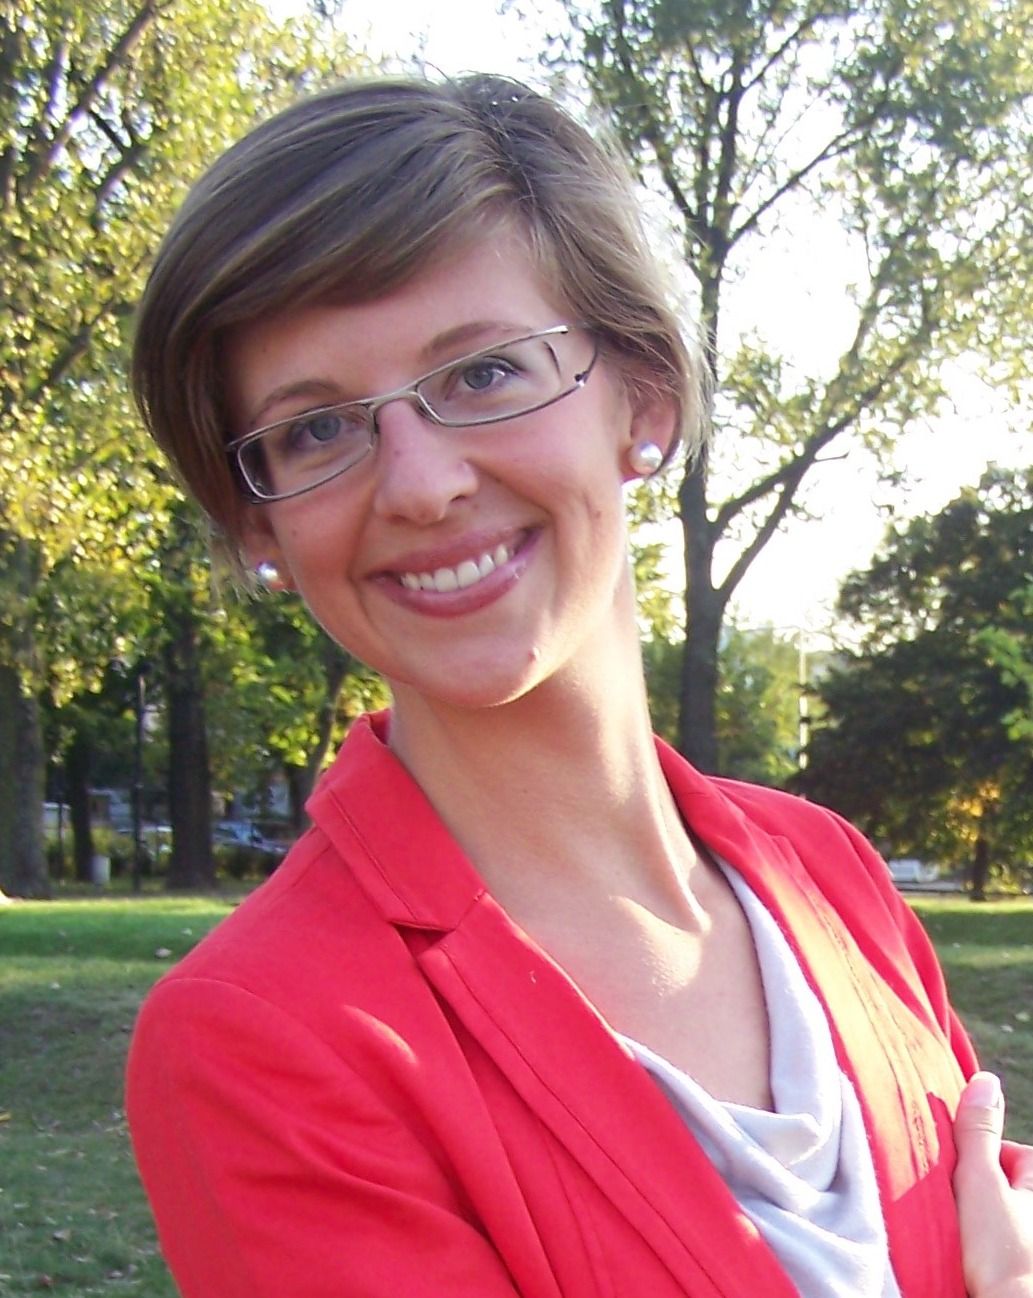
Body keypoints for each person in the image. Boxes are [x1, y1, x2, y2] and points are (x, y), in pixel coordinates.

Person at [125, 74, 1033, 1298]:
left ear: (640, 396)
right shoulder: (264, 1033)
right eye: (317, 430)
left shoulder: (829, 874)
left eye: (482, 373)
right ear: (260, 526)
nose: (421, 484)